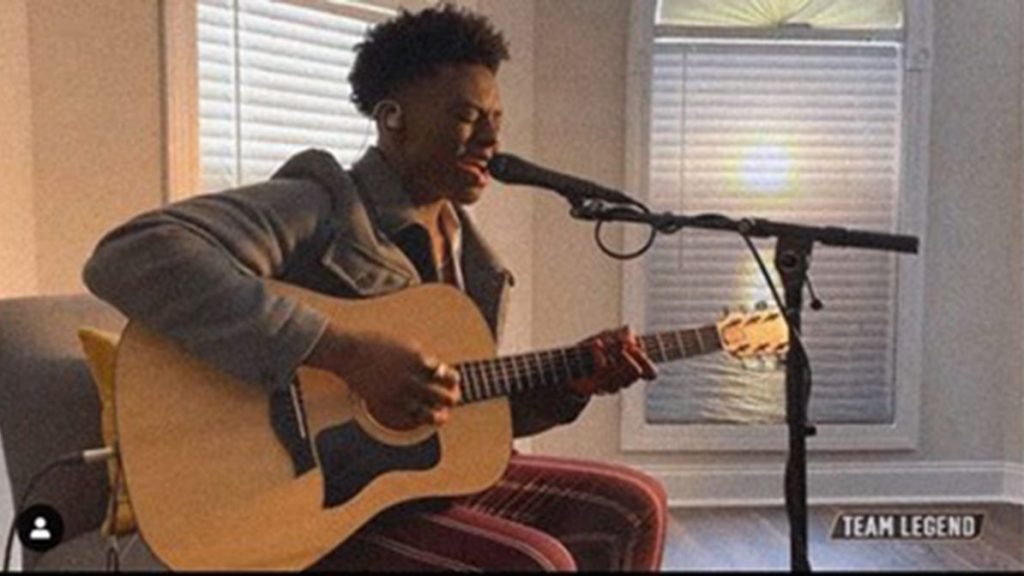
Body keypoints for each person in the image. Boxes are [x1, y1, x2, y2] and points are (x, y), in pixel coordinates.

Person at [84, 4, 666, 571]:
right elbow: (130, 253)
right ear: (393, 118)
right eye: (467, 116)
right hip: (303, 502)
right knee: (534, 563)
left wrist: (567, 387)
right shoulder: (319, 206)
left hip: (400, 489)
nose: (491, 138)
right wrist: (345, 353)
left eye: (496, 118)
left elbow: (449, 421)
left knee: (632, 506)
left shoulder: (473, 258)